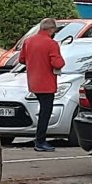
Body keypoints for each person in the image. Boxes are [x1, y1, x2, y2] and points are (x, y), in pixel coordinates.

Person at [18, 17, 65, 151]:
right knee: (46, 112)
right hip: (47, 83)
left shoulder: (28, 41)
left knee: (42, 110)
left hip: (33, 81)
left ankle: (39, 138)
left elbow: (21, 59)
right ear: (51, 30)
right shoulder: (51, 44)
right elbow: (58, 63)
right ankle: (40, 141)